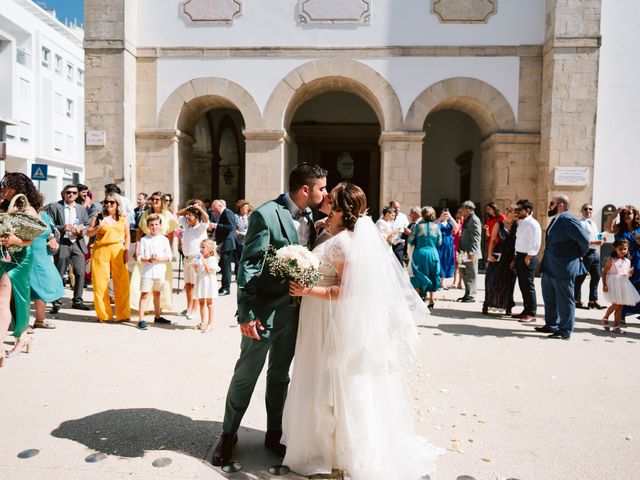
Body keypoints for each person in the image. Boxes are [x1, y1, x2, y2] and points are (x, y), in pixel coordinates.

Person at [282, 183, 441, 479]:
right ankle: (320, 445)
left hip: (329, 318)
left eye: (331, 200)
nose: (325, 201)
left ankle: (337, 452)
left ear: (342, 209)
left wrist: (308, 289)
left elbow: (347, 290)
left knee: (332, 379)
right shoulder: (331, 233)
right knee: (319, 375)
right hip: (317, 316)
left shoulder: (344, 243)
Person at [211, 163, 327, 466]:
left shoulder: (313, 217)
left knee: (280, 376)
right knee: (246, 374)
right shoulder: (266, 213)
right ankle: (228, 434)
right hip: (262, 311)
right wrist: (246, 313)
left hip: (294, 312)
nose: (324, 193)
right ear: (305, 189)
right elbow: (248, 265)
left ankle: (274, 433)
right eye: (321, 188)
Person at [0, 173, 42, 364]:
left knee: (4, 297)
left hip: (20, 258)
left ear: (16, 187)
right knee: (13, 299)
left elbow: (33, 237)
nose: (2, 187)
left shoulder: (28, 210)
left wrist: (17, 240)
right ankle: (22, 337)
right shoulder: (3, 206)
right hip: (3, 255)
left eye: (5, 185)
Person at [534, 195, 589, 340]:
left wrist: (576, 256)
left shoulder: (568, 220)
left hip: (563, 267)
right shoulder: (556, 219)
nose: (549, 206)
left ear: (561, 205)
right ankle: (551, 325)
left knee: (564, 300)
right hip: (550, 266)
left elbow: (584, 240)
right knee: (549, 298)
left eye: (551, 203)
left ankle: (565, 330)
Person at [130, 192, 180, 314]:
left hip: (161, 251)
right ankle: (144, 308)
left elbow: (171, 234)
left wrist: (169, 251)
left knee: (162, 282)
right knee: (142, 279)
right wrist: (137, 247)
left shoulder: (167, 215)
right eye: (152, 199)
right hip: (146, 248)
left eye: (157, 199)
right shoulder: (146, 213)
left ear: (162, 201)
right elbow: (140, 231)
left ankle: (159, 309)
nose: (154, 201)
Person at [47, 184, 91, 313]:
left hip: (77, 242)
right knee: (59, 273)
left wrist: (81, 230)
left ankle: (77, 301)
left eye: (74, 193)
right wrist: (62, 228)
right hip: (63, 242)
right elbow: (49, 224)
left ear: (77, 195)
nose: (71, 195)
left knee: (80, 272)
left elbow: (87, 225)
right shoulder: (55, 207)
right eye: (68, 192)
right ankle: (56, 302)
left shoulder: (82, 209)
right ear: (63, 194)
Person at [88, 193, 131, 323]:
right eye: (106, 202)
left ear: (117, 204)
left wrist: (127, 250)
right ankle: (104, 315)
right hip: (101, 250)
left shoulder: (123, 217)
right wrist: (98, 226)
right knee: (100, 283)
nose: (108, 205)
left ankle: (123, 314)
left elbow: (127, 235)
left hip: (118, 249)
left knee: (122, 283)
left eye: (112, 202)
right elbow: (89, 232)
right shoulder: (98, 216)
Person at [30, 205, 65, 329]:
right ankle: (20, 324)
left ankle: (40, 319)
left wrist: (54, 242)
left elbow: (53, 234)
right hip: (25, 255)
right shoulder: (20, 214)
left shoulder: (45, 216)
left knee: (43, 286)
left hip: (42, 255)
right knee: (22, 290)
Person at [136, 214, 173, 330]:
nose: (154, 227)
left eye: (156, 224)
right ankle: (141, 319)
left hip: (160, 271)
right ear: (148, 226)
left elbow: (169, 257)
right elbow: (139, 257)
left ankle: (157, 316)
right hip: (147, 271)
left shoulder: (164, 239)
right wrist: (149, 260)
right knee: (145, 294)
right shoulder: (144, 240)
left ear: (160, 225)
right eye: (151, 225)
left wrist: (158, 259)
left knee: (157, 293)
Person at [604, 205, 640, 323]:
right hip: (622, 263)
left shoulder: (639, 228)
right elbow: (607, 227)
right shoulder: (619, 228)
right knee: (623, 289)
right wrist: (616, 212)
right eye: (624, 214)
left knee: (638, 288)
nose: (627, 215)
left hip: (638, 261)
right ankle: (621, 316)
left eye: (629, 213)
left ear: (635, 215)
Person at [177, 201, 210, 319]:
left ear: (196, 217)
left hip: (195, 259)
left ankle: (195, 309)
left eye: (190, 215)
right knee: (188, 285)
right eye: (187, 215)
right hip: (186, 259)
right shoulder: (187, 226)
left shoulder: (200, 227)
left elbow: (206, 218)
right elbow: (177, 213)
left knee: (196, 285)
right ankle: (189, 307)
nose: (187, 217)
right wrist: (189, 208)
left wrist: (199, 209)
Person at [483, 204, 518, 315]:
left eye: (511, 211)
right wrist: (489, 255)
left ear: (515, 214)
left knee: (509, 281)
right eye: (507, 209)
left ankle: (508, 306)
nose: (507, 212)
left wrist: (515, 259)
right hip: (498, 255)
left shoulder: (518, 226)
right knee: (492, 279)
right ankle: (487, 304)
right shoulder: (499, 224)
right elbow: (492, 240)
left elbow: (520, 244)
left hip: (511, 257)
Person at [512, 199, 541, 323]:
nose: (516, 212)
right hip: (519, 256)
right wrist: (515, 258)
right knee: (522, 285)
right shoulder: (522, 223)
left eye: (519, 209)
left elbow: (536, 242)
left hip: (528, 257)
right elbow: (519, 242)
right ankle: (526, 310)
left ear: (527, 210)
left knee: (528, 285)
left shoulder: (533, 223)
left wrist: (528, 257)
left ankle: (532, 313)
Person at [602, 239, 640, 334]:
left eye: (625, 249)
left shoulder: (627, 261)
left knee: (620, 306)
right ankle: (605, 317)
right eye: (620, 249)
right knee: (616, 304)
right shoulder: (611, 260)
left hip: (623, 283)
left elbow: (626, 273)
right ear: (615, 248)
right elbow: (604, 272)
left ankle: (616, 326)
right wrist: (604, 285)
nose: (623, 251)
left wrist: (629, 274)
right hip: (613, 283)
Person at [408, 206, 442, 308]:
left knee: (418, 274)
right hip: (432, 252)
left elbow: (410, 240)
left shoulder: (417, 227)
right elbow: (439, 242)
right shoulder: (436, 227)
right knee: (433, 273)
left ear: (422, 215)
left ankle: (418, 299)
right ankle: (431, 299)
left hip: (420, 252)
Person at [573, 203, 605, 310]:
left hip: (594, 252)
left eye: (590, 209)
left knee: (596, 276)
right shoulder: (581, 223)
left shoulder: (593, 223)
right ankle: (576, 300)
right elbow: (580, 239)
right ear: (581, 211)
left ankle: (592, 301)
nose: (588, 211)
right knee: (580, 277)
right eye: (585, 209)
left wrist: (601, 240)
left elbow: (595, 236)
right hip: (586, 252)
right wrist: (595, 241)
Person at [209, 199, 237, 296]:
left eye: (214, 208)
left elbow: (230, 227)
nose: (214, 210)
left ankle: (226, 288)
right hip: (224, 242)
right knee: (224, 266)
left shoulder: (228, 212)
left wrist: (216, 225)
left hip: (227, 243)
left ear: (220, 205)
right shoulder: (224, 213)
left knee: (226, 267)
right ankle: (224, 286)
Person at [193, 239, 220, 332]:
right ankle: (203, 322)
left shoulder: (212, 259)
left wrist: (203, 260)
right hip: (201, 281)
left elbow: (209, 271)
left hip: (208, 283)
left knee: (209, 303)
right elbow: (197, 270)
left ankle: (210, 324)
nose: (201, 249)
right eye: (201, 247)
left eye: (203, 247)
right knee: (201, 302)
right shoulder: (200, 258)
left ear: (210, 249)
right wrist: (195, 265)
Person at [457, 200, 481, 303]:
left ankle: (471, 295)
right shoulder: (467, 218)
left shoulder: (474, 219)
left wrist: (473, 252)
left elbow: (476, 237)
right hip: (463, 251)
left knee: (471, 273)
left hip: (470, 252)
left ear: (468, 209)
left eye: (463, 208)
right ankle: (467, 293)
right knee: (464, 272)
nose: (461, 210)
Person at [436, 208, 459, 288]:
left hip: (448, 244)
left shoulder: (450, 223)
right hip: (439, 243)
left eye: (447, 213)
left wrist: (451, 217)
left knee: (446, 261)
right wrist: (440, 218)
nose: (445, 215)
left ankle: (442, 280)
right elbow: (433, 226)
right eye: (444, 213)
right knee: (439, 260)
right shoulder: (438, 222)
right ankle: (438, 280)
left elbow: (456, 229)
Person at [389, 199, 410, 264]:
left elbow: (407, 229)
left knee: (399, 263)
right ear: (391, 208)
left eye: (398, 207)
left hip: (399, 244)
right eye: (395, 207)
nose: (397, 209)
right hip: (388, 243)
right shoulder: (385, 216)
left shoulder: (403, 217)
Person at [234, 199, 250, 276]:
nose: (247, 209)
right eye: (245, 208)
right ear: (240, 208)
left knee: (245, 260)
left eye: (247, 208)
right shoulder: (236, 217)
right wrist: (237, 232)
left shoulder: (250, 217)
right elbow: (232, 227)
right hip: (238, 241)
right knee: (238, 260)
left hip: (247, 241)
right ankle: (238, 275)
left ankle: (244, 274)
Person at [452, 207, 464, 289]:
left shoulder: (464, 224)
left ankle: (460, 282)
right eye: (458, 213)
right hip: (455, 245)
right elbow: (453, 233)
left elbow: (461, 234)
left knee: (460, 264)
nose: (459, 215)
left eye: (460, 213)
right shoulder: (454, 224)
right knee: (455, 265)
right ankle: (454, 280)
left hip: (461, 246)